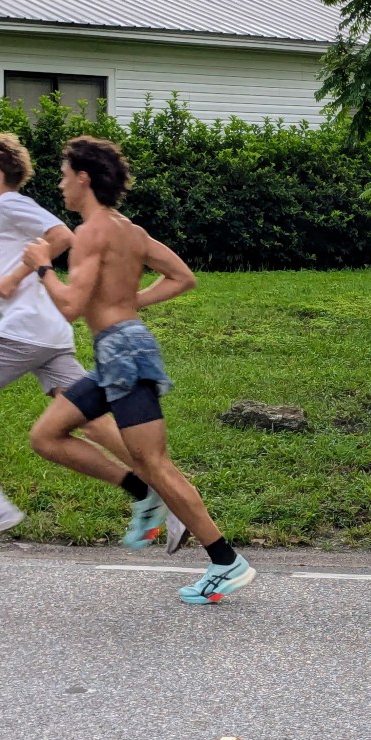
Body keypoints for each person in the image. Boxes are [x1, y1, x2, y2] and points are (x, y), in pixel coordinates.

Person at [23, 136, 255, 605]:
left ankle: (225, 560)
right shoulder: (130, 231)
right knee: (47, 435)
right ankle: (140, 493)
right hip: (118, 353)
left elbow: (70, 306)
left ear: (84, 178)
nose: (62, 184)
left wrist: (43, 266)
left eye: (65, 176)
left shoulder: (90, 233)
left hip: (124, 356)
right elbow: (182, 276)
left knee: (156, 462)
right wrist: (131, 303)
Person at [0, 133, 169, 549]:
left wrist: (15, 274)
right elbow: (18, 268)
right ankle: (158, 490)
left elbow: (60, 236)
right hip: (45, 332)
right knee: (90, 420)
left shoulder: (8, 203)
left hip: (24, 333)